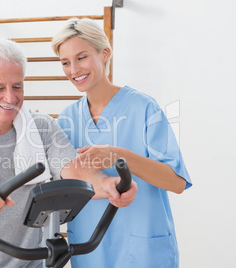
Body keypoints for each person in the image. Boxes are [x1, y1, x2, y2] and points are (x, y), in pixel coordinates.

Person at [0, 38, 137, 268]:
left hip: (26, 263)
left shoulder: (42, 127)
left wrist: (107, 185)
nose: (11, 98)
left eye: (17, 86)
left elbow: (73, 170)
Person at [52, 18, 192, 268]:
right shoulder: (66, 119)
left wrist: (118, 155)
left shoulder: (144, 107)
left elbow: (177, 182)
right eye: (65, 62)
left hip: (142, 249)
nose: (73, 70)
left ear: (104, 53)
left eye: (81, 57)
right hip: (89, 246)